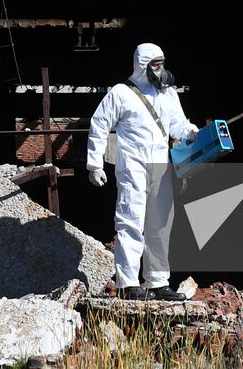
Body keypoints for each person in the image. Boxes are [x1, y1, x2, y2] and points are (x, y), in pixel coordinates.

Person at [86, 42, 199, 300]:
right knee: (130, 221)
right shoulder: (121, 93)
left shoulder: (168, 93)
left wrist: (190, 131)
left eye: (162, 63)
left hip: (160, 164)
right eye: (155, 65)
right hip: (132, 166)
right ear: (143, 65)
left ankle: (157, 282)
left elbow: (177, 125)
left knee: (160, 224)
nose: (161, 70)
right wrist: (95, 163)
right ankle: (128, 284)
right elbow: (100, 124)